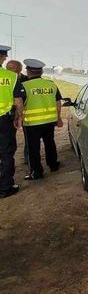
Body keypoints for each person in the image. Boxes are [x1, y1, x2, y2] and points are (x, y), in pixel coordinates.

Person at [20, 59, 63, 180]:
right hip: (49, 121)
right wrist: (58, 118)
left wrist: (19, 117)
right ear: (42, 71)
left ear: (28, 72)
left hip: (32, 123)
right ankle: (53, 165)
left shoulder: (24, 86)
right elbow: (58, 102)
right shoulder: (51, 84)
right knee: (50, 143)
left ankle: (37, 172)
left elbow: (19, 104)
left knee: (33, 148)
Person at [0, 46, 23, 198]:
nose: (5, 58)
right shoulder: (12, 77)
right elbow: (18, 101)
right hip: (4, 120)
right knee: (7, 153)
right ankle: (5, 187)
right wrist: (19, 116)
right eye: (4, 56)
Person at [6, 60, 29, 164]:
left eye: (19, 71)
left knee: (28, 138)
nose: (18, 73)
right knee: (7, 143)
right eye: (16, 71)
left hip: (21, 113)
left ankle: (27, 159)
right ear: (9, 70)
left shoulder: (25, 79)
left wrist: (20, 116)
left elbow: (20, 100)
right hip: (6, 115)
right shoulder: (7, 79)